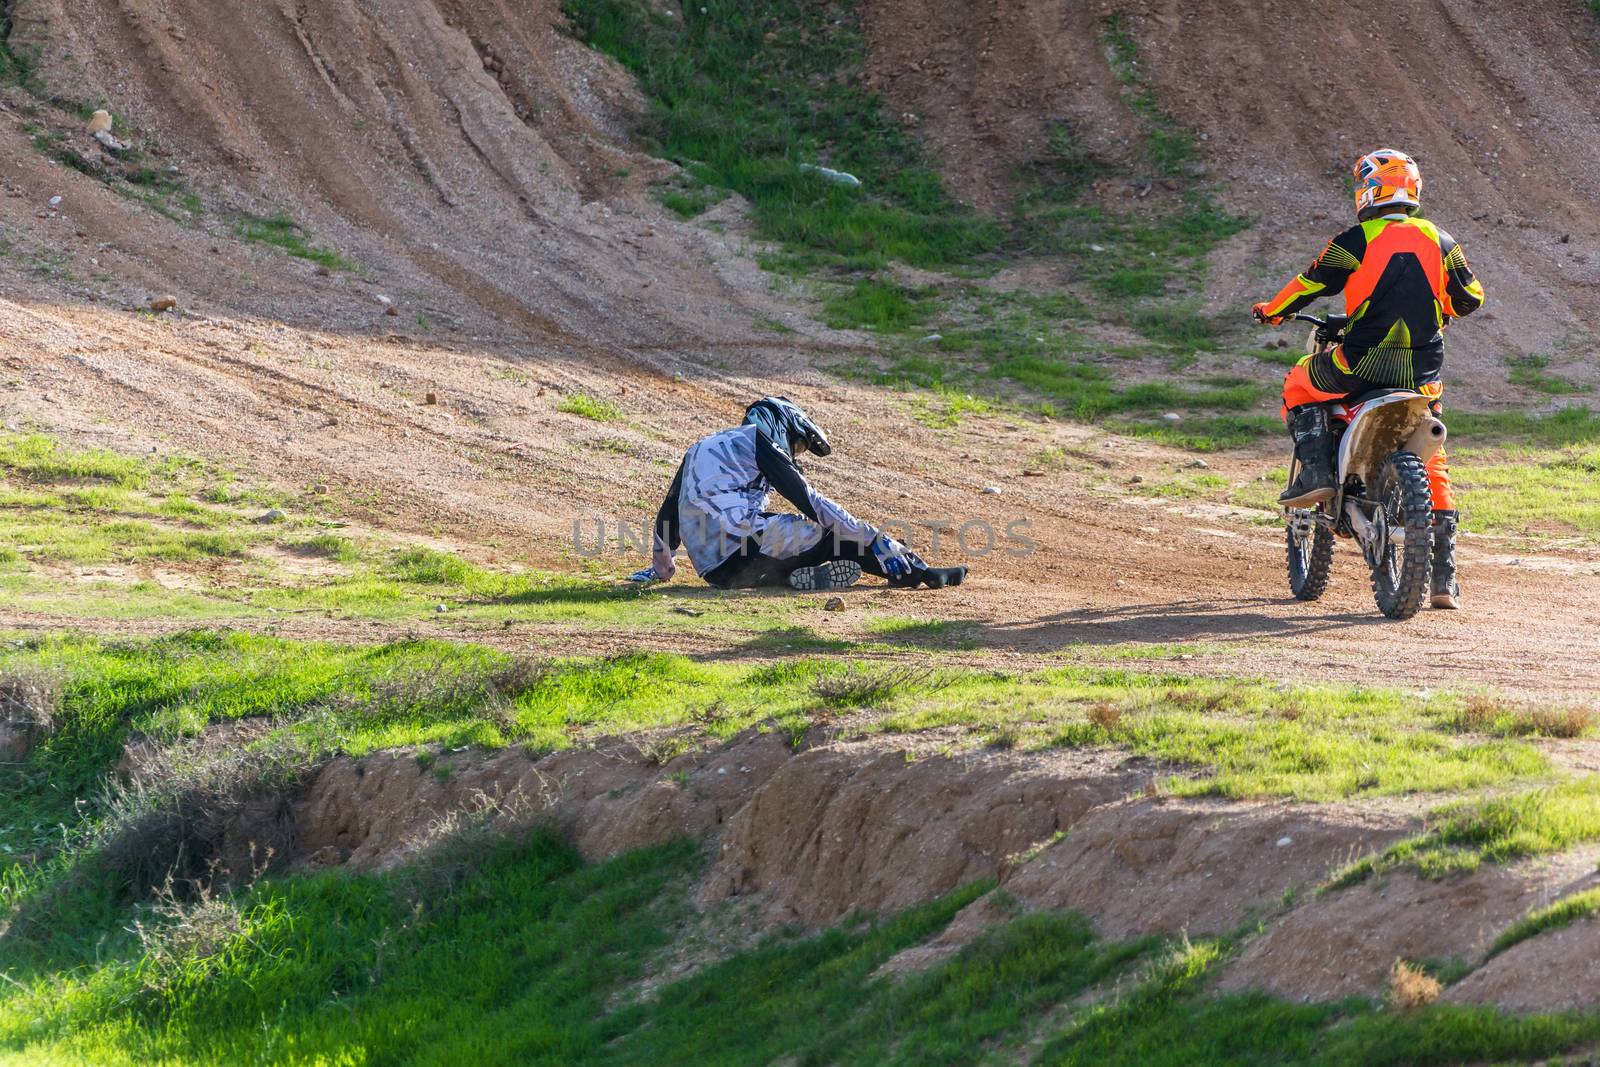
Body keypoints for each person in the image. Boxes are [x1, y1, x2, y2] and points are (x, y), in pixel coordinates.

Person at [1252, 148, 1484, 609]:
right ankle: (1442, 576)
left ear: (1369, 190)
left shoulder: (1356, 239)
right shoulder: (1442, 240)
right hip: (1422, 375)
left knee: (1299, 382)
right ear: (1413, 189)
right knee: (1432, 459)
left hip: (1358, 367)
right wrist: (1440, 308)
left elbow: (1311, 282)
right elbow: (1471, 297)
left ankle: (1316, 474)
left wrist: (1272, 311)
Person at [627, 396, 967, 591]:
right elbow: (812, 503)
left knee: (793, 537)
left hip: (718, 574)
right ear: (782, 424)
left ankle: (787, 577)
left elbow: (668, 514)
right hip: (744, 546)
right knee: (837, 537)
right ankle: (918, 573)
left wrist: (661, 569)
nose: (796, 451)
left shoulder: (700, 448)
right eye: (799, 443)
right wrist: (880, 541)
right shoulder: (759, 441)